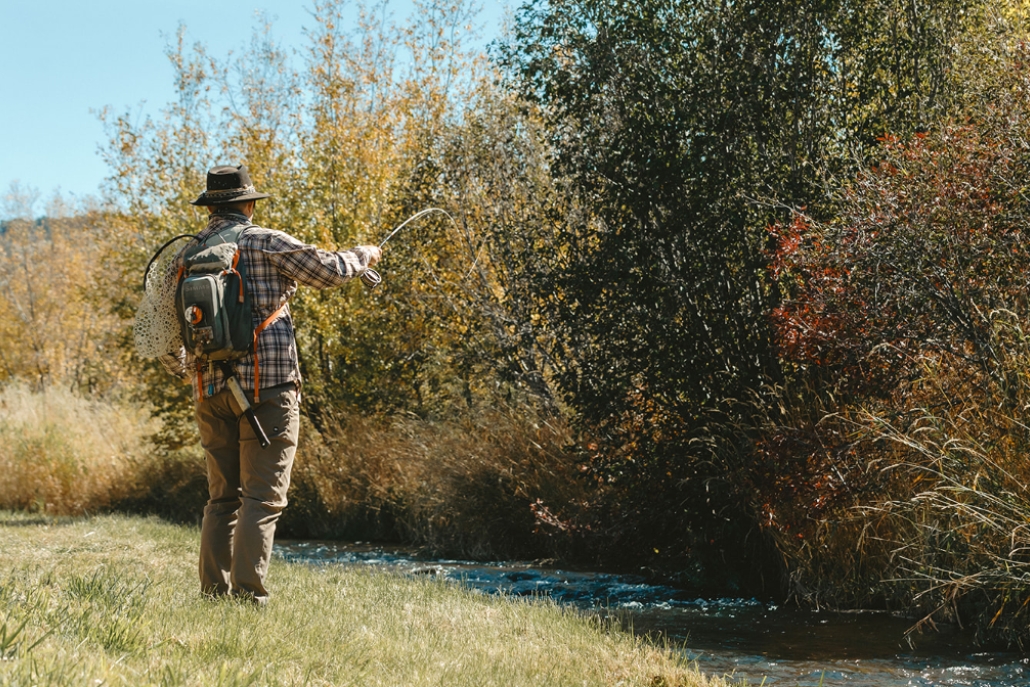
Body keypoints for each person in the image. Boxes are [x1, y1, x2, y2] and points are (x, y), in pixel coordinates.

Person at [160, 164, 381, 605]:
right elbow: (333, 271)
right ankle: (247, 598)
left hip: (209, 391)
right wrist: (366, 254)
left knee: (221, 498)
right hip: (268, 387)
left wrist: (193, 370)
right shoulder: (265, 240)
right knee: (261, 498)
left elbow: (168, 338)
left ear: (211, 207)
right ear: (249, 204)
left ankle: (213, 595)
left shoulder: (183, 259)